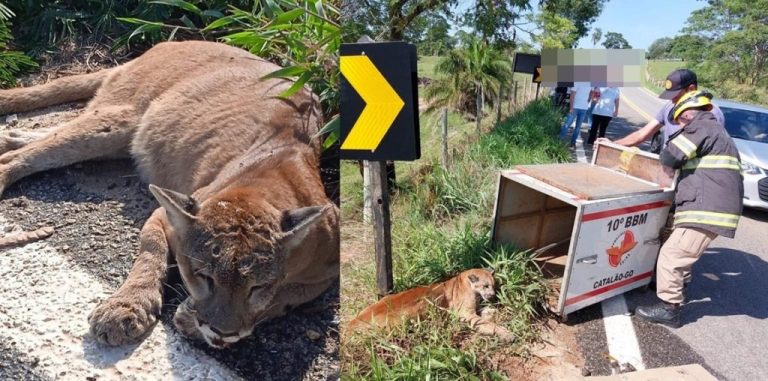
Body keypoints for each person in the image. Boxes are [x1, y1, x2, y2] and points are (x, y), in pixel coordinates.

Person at [634, 90, 743, 328]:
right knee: (681, 253)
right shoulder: (717, 131)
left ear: (690, 113)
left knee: (671, 256)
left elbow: (671, 156)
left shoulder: (701, 126)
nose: (679, 125)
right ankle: (679, 287)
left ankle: (668, 308)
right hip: (712, 206)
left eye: (681, 120)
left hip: (706, 208)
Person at [598, 69, 724, 149]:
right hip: (668, 171)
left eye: (676, 95)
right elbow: (642, 134)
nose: (672, 100)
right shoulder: (670, 107)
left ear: (691, 89)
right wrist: (613, 145)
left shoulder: (710, 112)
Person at [558, 82, 592, 147]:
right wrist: (571, 108)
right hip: (575, 107)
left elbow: (591, 91)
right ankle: (559, 140)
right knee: (567, 124)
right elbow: (572, 95)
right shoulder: (577, 82)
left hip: (584, 108)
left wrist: (588, 100)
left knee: (578, 127)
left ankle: (573, 143)